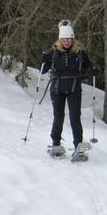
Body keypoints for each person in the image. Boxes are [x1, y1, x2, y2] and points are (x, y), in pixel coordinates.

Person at [41, 19, 92, 152]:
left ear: (73, 39)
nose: (67, 42)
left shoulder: (79, 52)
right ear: (60, 39)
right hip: (57, 89)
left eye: (70, 39)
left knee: (75, 116)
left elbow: (88, 66)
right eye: (64, 39)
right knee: (58, 116)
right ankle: (56, 143)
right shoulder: (53, 51)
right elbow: (43, 69)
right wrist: (44, 61)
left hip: (74, 88)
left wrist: (91, 71)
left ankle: (78, 145)